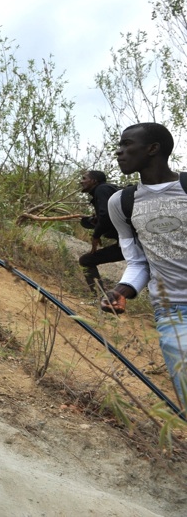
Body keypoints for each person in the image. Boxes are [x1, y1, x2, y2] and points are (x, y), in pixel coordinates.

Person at [103, 123, 187, 410]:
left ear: (153, 149)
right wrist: (121, 290)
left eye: (127, 144)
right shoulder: (122, 202)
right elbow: (139, 261)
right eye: (119, 146)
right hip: (173, 311)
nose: (119, 152)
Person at [76, 169, 123, 298]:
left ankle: (99, 298)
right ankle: (101, 298)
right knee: (86, 260)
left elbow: (105, 216)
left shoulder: (102, 189)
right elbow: (108, 216)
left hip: (132, 244)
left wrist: (96, 235)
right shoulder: (108, 190)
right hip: (128, 243)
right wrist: (96, 221)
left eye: (84, 178)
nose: (81, 181)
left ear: (94, 181)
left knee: (86, 260)